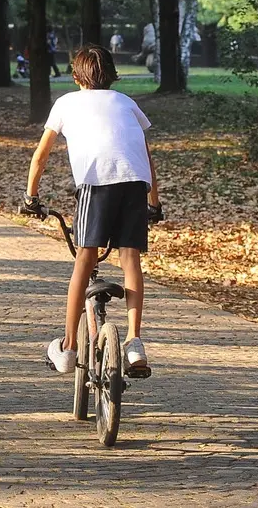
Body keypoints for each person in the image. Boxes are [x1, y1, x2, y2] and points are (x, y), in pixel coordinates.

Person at [24, 45, 161, 376]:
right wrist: (154, 203)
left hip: (95, 184)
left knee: (84, 260)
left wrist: (30, 197)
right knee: (130, 260)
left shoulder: (66, 103)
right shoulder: (128, 104)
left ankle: (69, 347)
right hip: (134, 185)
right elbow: (147, 158)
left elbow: (41, 156)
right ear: (113, 76)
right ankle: (134, 342)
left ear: (75, 77)